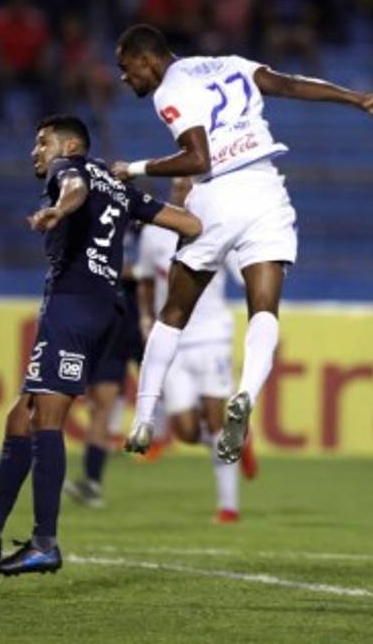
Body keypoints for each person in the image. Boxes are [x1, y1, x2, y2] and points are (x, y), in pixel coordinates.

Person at [0, 114, 201, 576]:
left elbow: (72, 186)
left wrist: (61, 209)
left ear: (69, 145)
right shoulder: (121, 189)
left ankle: (43, 542)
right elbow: (189, 225)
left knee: (45, 419)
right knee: (24, 413)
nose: (36, 152)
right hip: (105, 308)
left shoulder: (68, 169)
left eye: (42, 142)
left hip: (75, 303)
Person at [110, 24, 373, 465]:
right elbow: (292, 84)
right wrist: (357, 99)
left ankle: (145, 416)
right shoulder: (231, 64)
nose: (125, 78)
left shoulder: (169, 90)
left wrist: (133, 168)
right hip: (267, 190)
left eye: (126, 68)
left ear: (147, 59)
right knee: (264, 309)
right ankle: (245, 395)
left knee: (173, 313)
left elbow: (197, 159)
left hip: (217, 195)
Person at [133, 177, 255, 524]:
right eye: (176, 187)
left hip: (212, 337)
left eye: (187, 187)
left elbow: (245, 274)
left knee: (217, 420)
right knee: (185, 430)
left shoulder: (218, 228)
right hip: (173, 338)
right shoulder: (154, 233)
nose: (181, 192)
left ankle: (228, 507)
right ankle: (238, 445)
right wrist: (144, 318)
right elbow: (144, 278)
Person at [63, 224, 144, 509]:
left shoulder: (142, 230)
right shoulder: (101, 227)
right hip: (100, 323)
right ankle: (91, 480)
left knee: (103, 405)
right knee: (99, 407)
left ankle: (91, 480)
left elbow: (146, 274)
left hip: (122, 326)